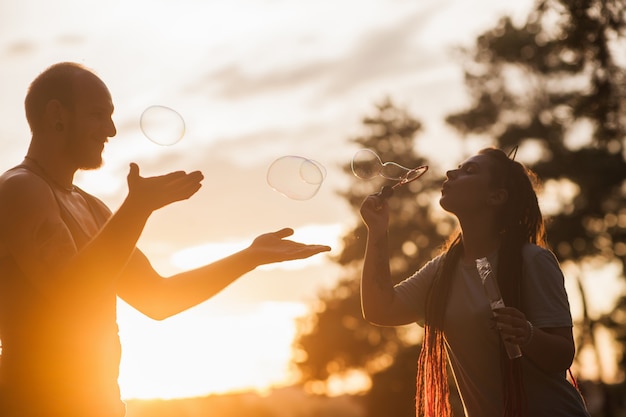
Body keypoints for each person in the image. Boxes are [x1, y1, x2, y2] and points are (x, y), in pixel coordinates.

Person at [0, 62, 331, 417]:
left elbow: (158, 299)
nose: (110, 130)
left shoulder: (92, 208)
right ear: (56, 114)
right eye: (98, 115)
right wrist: (136, 210)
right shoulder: (21, 188)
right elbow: (72, 296)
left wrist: (250, 257)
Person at [359, 148, 590, 417]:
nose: (450, 173)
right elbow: (380, 309)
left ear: (496, 196)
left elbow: (563, 354)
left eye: (469, 171)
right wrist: (377, 231)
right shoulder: (443, 271)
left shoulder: (532, 260)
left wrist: (527, 334)